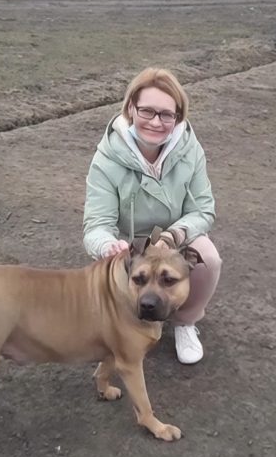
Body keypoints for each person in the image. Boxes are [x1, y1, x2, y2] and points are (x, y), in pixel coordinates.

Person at [83, 67, 222, 364]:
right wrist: (108, 245)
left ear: (178, 117)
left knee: (209, 259)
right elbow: (96, 225)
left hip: (177, 234)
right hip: (129, 240)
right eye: (147, 111)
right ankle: (122, 322)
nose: (156, 122)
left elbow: (202, 209)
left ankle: (185, 321)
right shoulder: (106, 159)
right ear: (131, 108)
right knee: (114, 273)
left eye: (167, 114)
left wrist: (173, 236)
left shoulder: (190, 151)